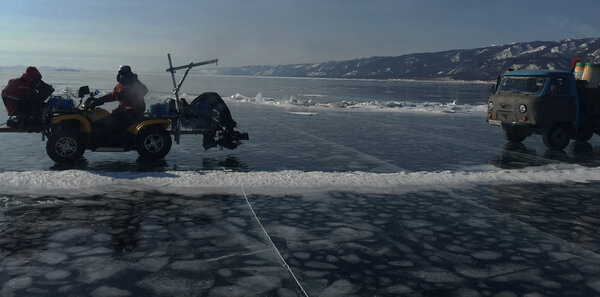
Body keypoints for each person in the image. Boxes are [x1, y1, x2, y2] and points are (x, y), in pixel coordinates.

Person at [92, 65, 148, 135]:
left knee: (117, 121)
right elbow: (113, 95)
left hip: (134, 110)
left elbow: (144, 90)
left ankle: (124, 139)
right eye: (121, 74)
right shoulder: (119, 86)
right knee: (106, 119)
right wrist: (100, 100)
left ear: (129, 74)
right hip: (122, 109)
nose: (122, 76)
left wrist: (133, 89)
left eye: (124, 74)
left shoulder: (135, 84)